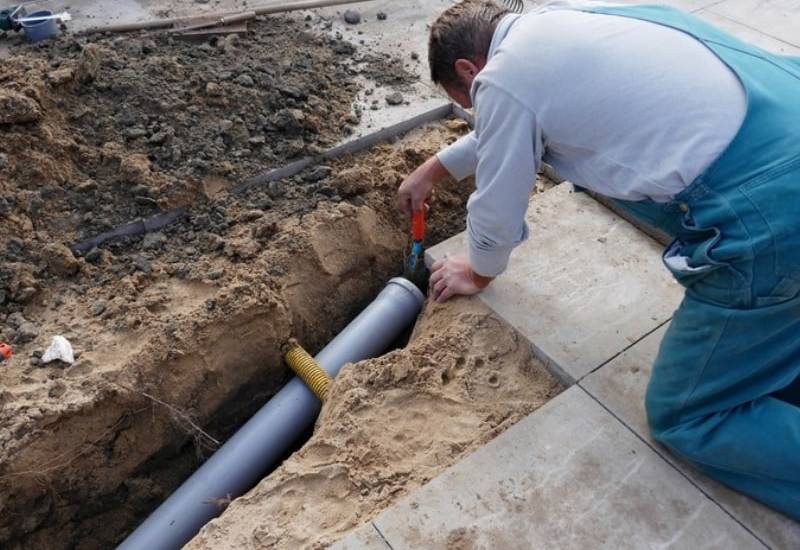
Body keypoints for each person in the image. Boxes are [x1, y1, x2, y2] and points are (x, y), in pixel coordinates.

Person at [397, 0, 800, 520]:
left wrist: (477, 270)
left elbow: (497, 204)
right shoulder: (566, 22)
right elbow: (507, 122)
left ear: (468, 71)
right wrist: (434, 168)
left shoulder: (503, 80)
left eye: (470, 101)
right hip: (783, 120)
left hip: (774, 212)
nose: (481, 108)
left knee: (688, 414)